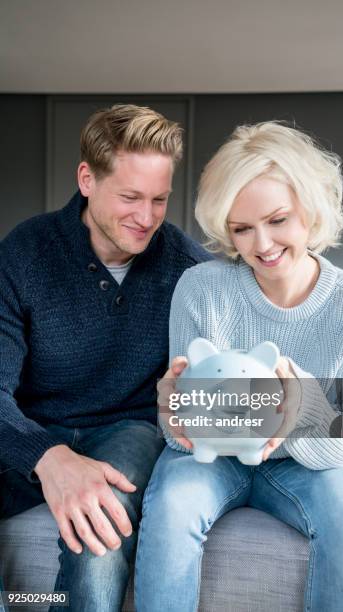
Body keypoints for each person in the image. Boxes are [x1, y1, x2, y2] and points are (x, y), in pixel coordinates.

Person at [135, 121, 343, 612]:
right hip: (209, 461)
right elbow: (177, 432)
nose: (262, 245)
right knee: (169, 507)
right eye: (241, 228)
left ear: (310, 212)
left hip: (307, 464)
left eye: (277, 220)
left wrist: (300, 406)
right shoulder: (200, 289)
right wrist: (176, 411)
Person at [0, 104, 211, 612]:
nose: (146, 218)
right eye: (131, 197)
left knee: (102, 525)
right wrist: (48, 458)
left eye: (160, 199)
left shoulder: (188, 270)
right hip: (29, 424)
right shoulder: (25, 252)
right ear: (87, 179)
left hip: (127, 429)